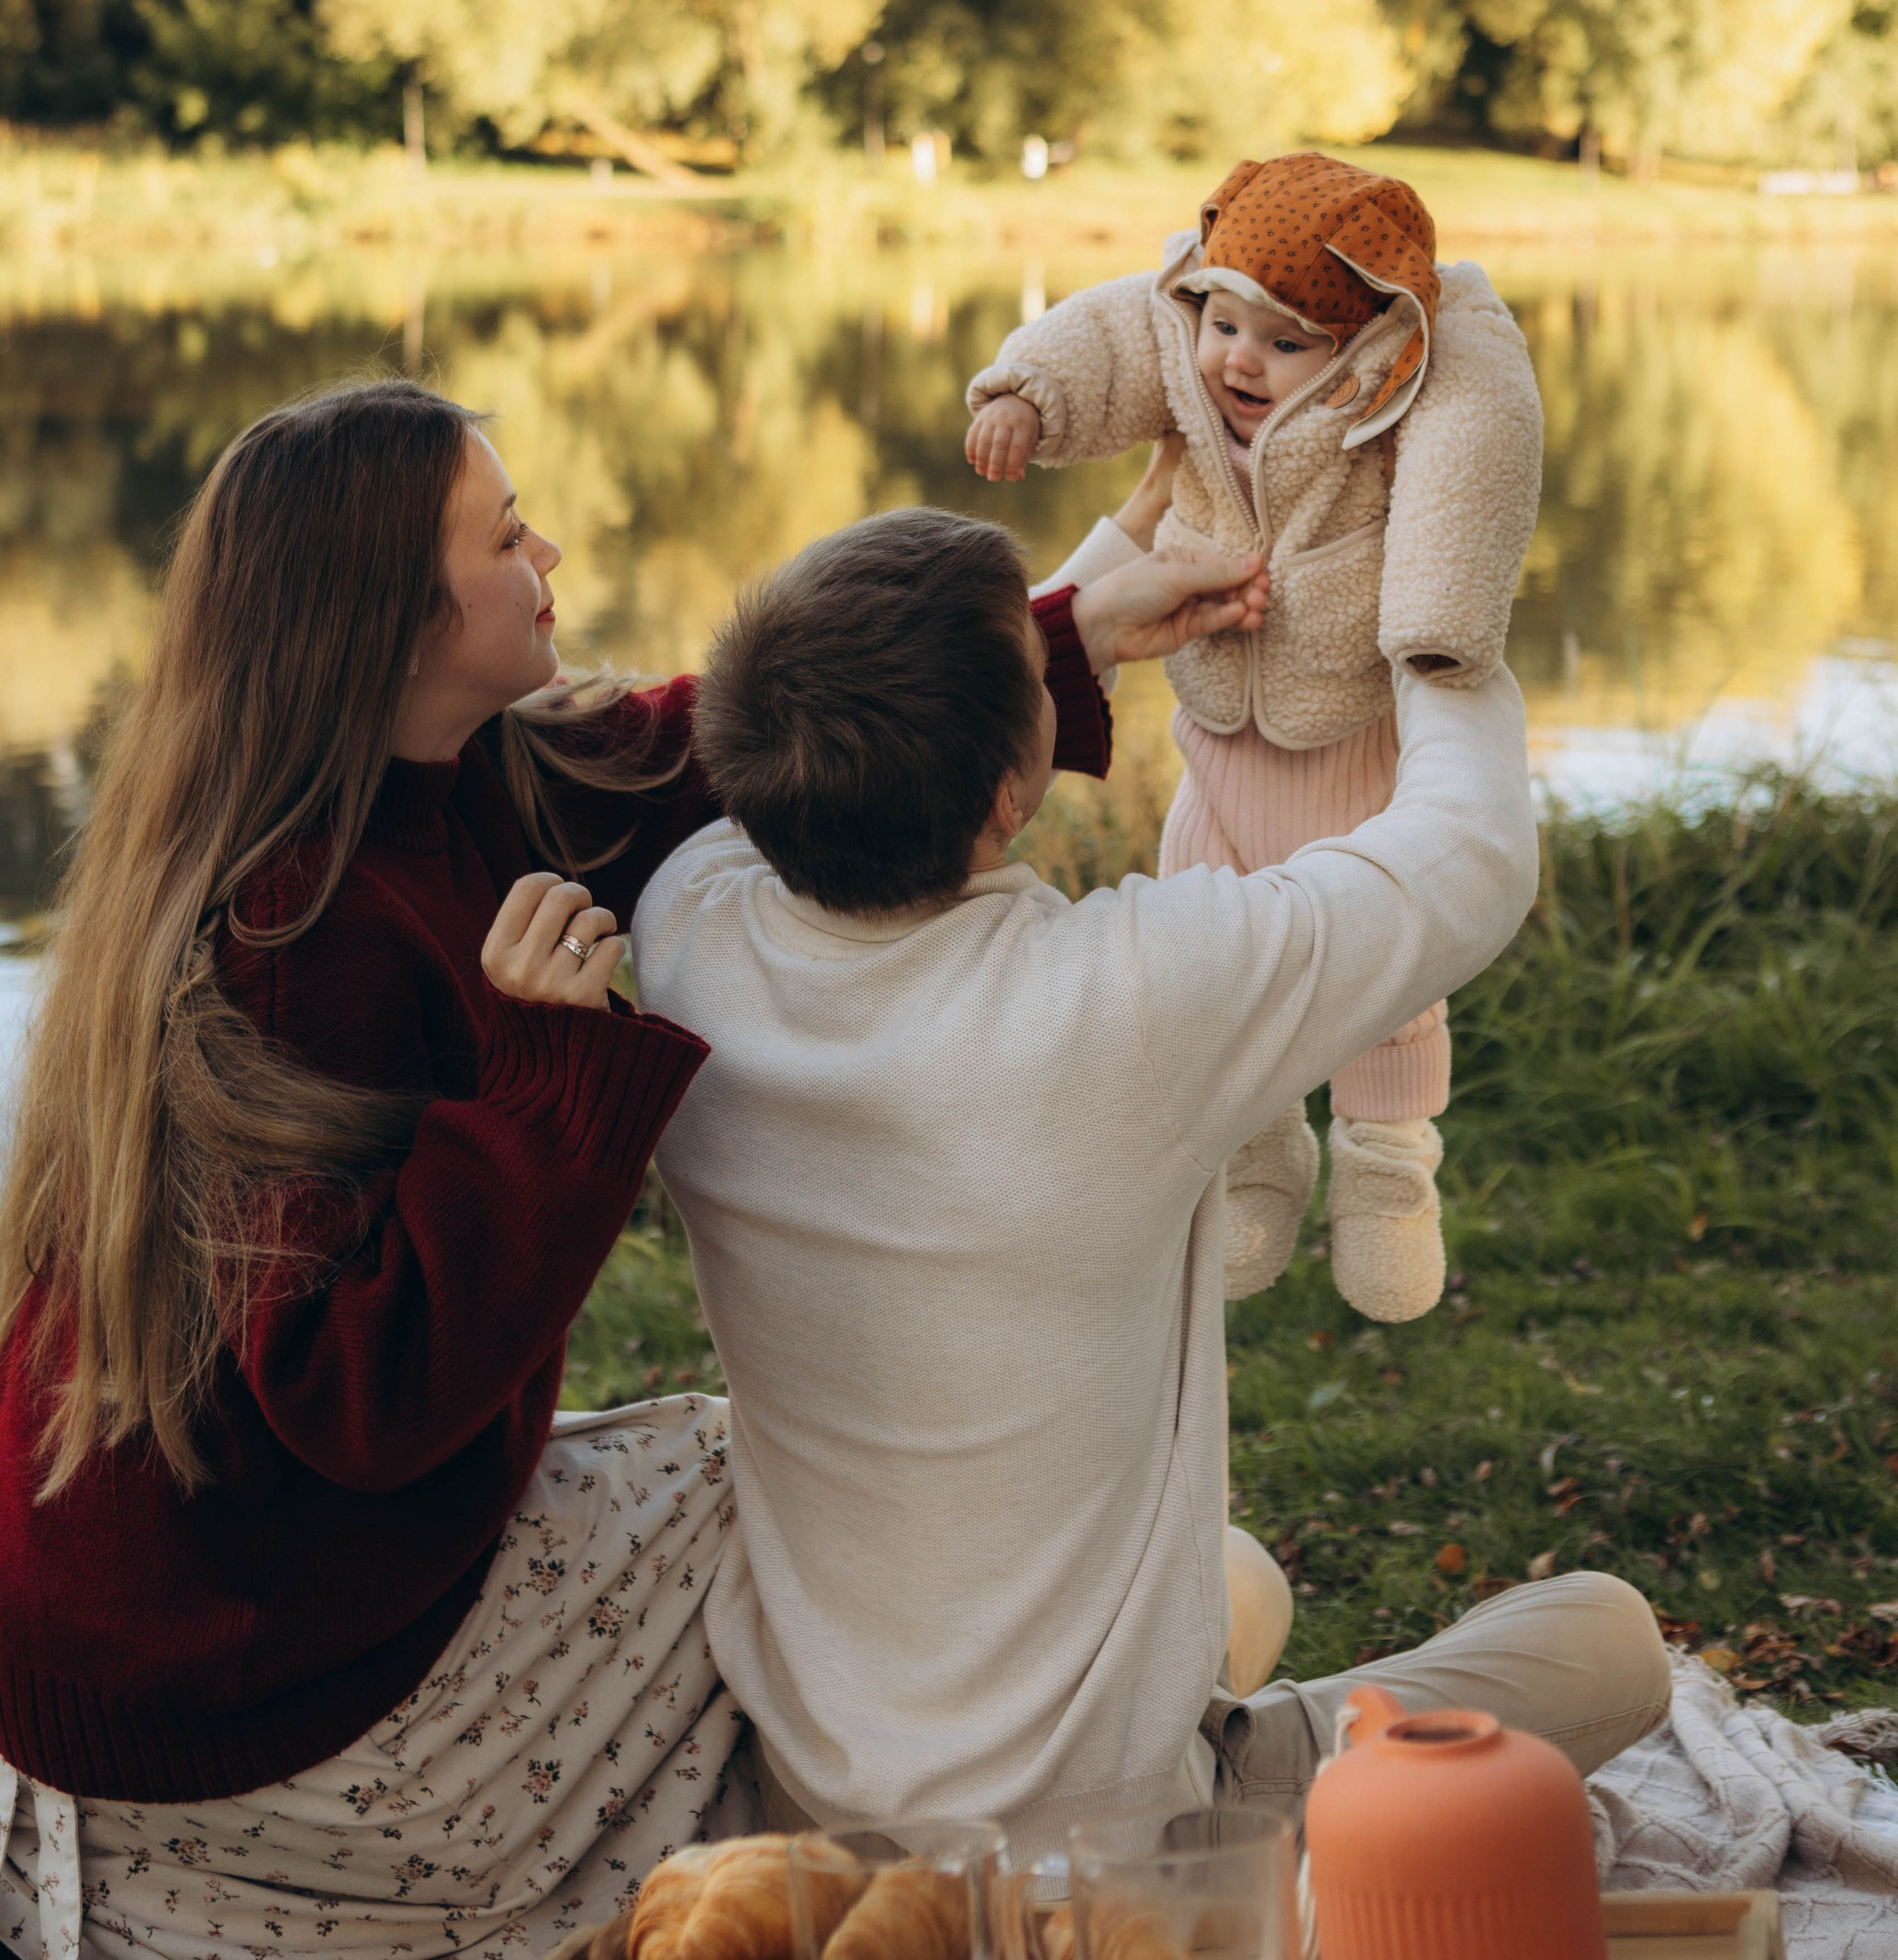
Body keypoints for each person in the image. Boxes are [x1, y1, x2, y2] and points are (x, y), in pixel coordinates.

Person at [0, 377, 1260, 1958]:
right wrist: (540, 1080)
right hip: (242, 1685)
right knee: (818, 1513)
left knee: (824, 1511)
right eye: (504, 534)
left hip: (264, 1591)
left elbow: (701, 750)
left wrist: (1054, 633)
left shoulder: (448, 770)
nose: (549, 553)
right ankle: (1012, 1838)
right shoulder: (282, 941)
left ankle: (1064, 1758)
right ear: (391, 619)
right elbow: (356, 1393)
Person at [630, 506, 1670, 1850]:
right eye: (1036, 662)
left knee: (1238, 1580)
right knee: (1614, 1641)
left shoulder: (688, 935)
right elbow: (1467, 857)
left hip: (823, 1797)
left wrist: (1070, 630)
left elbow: (782, 769)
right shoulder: (1125, 1006)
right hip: (1111, 1837)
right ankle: (1241, 1788)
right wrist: (1433, 633)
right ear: (1011, 794)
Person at [965, 153, 1544, 1326]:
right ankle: (1258, 1153)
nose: (1239, 359)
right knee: (1205, 946)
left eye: (1284, 342)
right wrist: (1027, 392)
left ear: (1362, 347)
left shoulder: (1390, 403)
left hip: (1346, 738)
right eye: (1225, 323)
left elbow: (1472, 460)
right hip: (1218, 736)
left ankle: (1386, 1170)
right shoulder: (1187, 364)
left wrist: (1437, 622)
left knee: (1382, 967)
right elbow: (1118, 333)